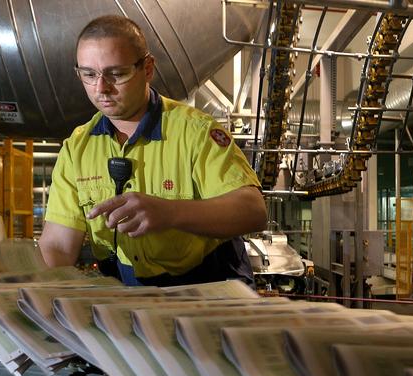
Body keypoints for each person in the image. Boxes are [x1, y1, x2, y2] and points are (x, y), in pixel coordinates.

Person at [39, 15, 266, 287]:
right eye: (88, 74)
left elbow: (253, 211)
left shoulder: (195, 132)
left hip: (205, 286)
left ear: (147, 69)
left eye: (117, 73)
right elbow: (59, 247)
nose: (101, 88)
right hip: (128, 290)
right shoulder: (77, 149)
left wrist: (170, 213)